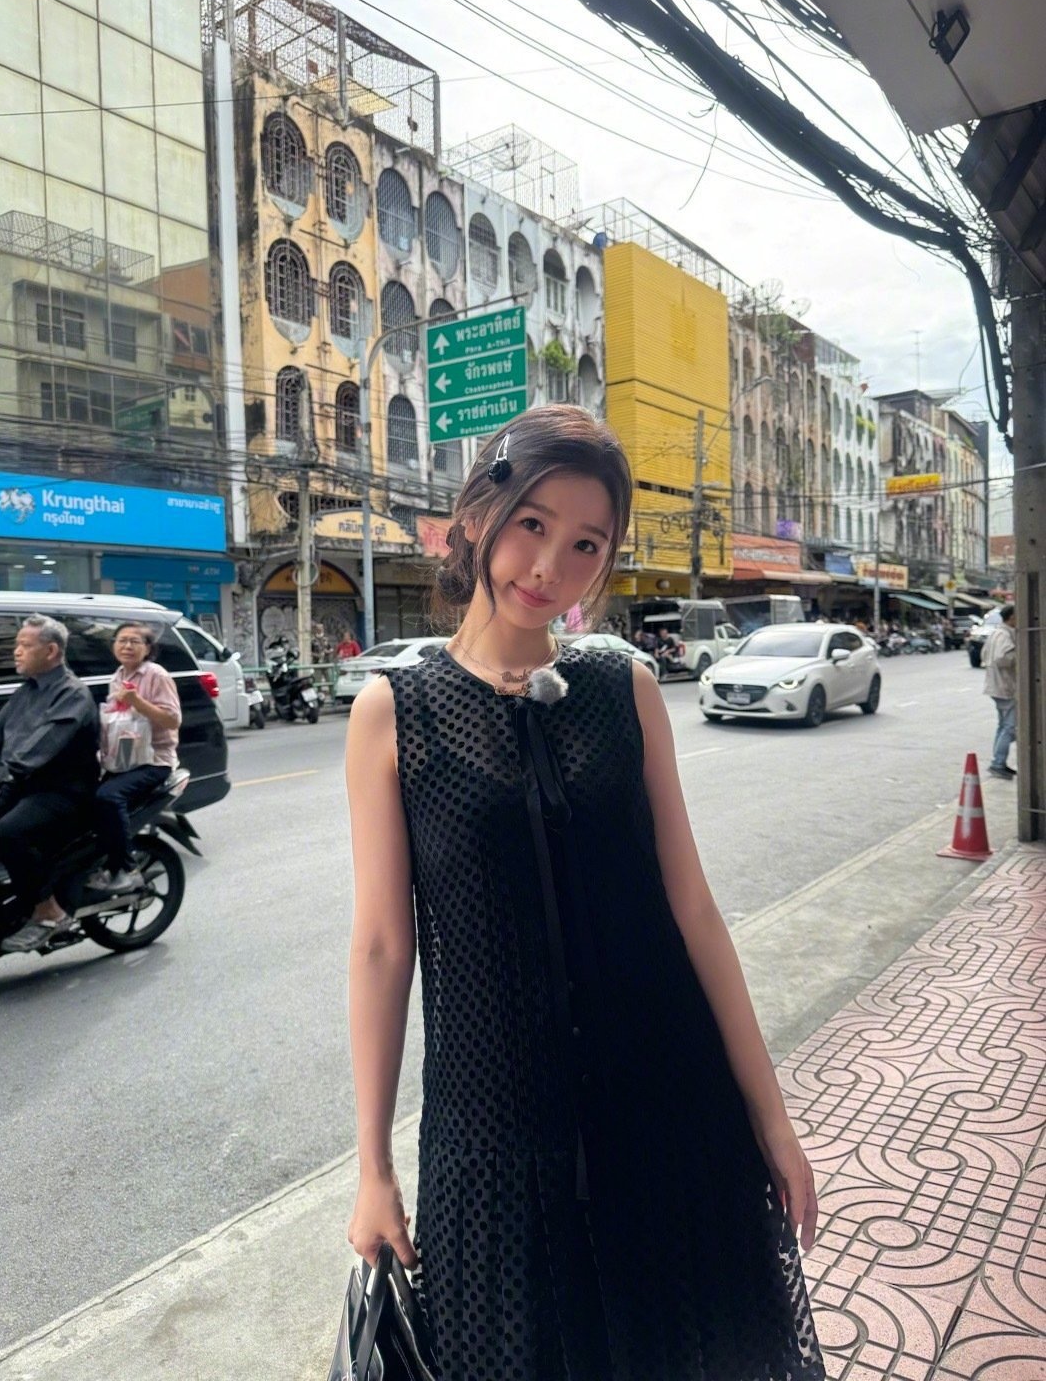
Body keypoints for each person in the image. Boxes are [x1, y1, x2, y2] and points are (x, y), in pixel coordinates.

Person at [345, 408, 823, 1381]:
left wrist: (772, 1120)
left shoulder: (625, 688)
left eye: (585, 545)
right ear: (475, 516)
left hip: (667, 1107)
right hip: (490, 1135)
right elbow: (384, 948)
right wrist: (372, 1168)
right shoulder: (395, 712)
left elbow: (693, 911)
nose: (549, 566)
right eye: (532, 524)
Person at [0, 614, 98, 952]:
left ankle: (48, 912)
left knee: (7, 833)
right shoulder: (26, 691)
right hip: (24, 784)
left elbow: (42, 746)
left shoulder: (72, 694)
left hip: (62, 791)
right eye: (17, 645)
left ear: (51, 651)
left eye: (25, 645)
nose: (16, 651)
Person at [86, 622, 182, 894]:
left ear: (147, 648)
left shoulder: (156, 675)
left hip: (154, 760)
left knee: (109, 797)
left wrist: (137, 701)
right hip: (124, 758)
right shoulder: (117, 676)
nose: (127, 646)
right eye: (122, 640)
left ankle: (127, 870)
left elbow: (173, 720)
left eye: (134, 641)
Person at [983, 602, 1017, 779]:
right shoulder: (1004, 635)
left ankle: (999, 761)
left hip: (997, 686)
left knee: (1003, 725)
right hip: (1004, 686)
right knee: (1010, 727)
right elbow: (1002, 658)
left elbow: (984, 654)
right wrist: (1020, 655)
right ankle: (998, 763)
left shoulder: (997, 633)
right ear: (1011, 617)